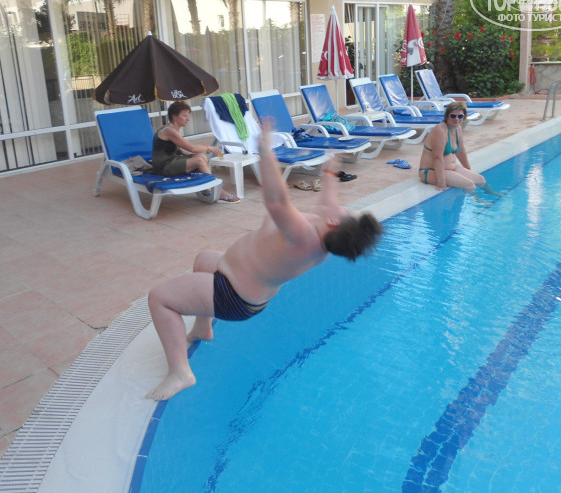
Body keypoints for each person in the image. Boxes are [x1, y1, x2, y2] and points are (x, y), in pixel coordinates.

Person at [145, 120, 383, 401]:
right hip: (246, 289)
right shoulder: (325, 238)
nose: (342, 207)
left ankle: (180, 372)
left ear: (334, 222)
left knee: (159, 298)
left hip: (231, 295)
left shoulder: (302, 236)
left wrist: (264, 150)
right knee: (204, 259)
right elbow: (329, 203)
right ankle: (202, 328)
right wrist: (330, 170)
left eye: (347, 211)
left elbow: (276, 200)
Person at [152, 101, 240, 203]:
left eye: (188, 116)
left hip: (171, 160)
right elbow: (191, 147)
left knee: (200, 156)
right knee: (198, 161)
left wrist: (194, 155)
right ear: (174, 116)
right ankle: (219, 192)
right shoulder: (169, 131)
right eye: (184, 116)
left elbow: (179, 150)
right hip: (163, 167)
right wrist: (210, 148)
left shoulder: (172, 128)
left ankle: (205, 188)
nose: (188, 119)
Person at [417, 101, 498, 194]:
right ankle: (477, 201)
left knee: (480, 179)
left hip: (452, 168)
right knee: (469, 184)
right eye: (453, 116)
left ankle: (491, 195)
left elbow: (461, 152)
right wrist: (441, 181)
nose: (456, 119)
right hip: (431, 171)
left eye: (460, 116)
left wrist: (468, 171)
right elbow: (437, 158)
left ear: (464, 117)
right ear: (447, 116)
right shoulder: (440, 130)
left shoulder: (457, 129)